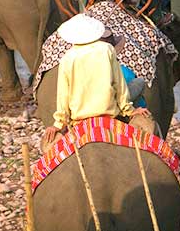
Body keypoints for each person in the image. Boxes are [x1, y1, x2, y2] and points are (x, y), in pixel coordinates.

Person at [42, 14, 154, 150]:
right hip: (109, 116)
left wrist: (58, 124)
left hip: (79, 121)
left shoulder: (67, 58)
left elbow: (63, 95)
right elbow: (119, 86)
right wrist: (129, 110)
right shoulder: (107, 50)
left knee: (51, 152)